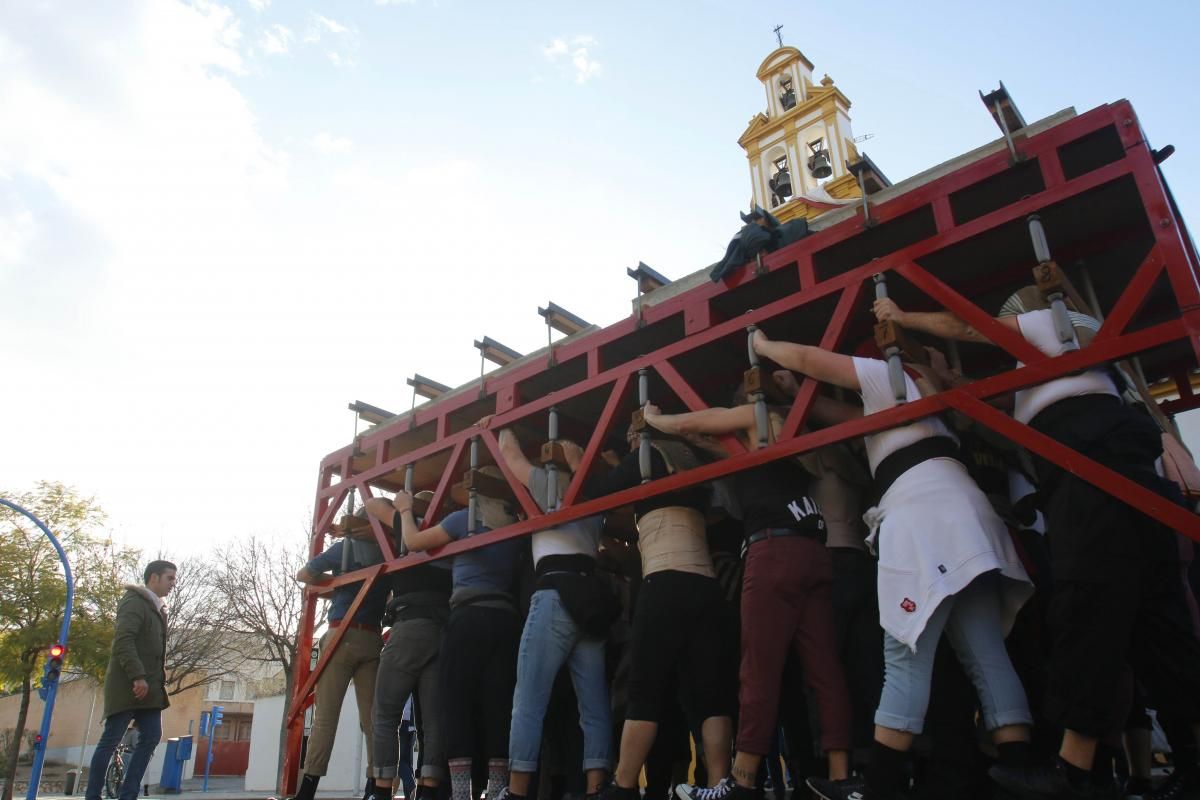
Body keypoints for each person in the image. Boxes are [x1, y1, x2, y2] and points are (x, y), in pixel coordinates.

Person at [874, 292, 1200, 800]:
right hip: (1119, 475)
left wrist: (901, 316)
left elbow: (966, 326)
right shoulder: (1059, 374)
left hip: (1088, 477)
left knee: (1087, 609)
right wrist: (937, 373)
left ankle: (1073, 770)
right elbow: (982, 400)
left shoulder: (1056, 327)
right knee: (1155, 622)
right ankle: (1188, 759)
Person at [750, 329, 1035, 800]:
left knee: (904, 655)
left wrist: (763, 345)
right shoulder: (926, 404)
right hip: (969, 517)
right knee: (987, 655)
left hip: (921, 520)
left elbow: (806, 354)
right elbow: (840, 414)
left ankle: (878, 787)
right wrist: (796, 394)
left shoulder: (889, 375)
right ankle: (1019, 770)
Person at [639, 393, 854, 800]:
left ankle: (742, 782)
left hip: (772, 550)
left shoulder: (761, 415)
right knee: (826, 670)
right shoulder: (793, 439)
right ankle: (842, 778)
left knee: (758, 669)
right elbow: (714, 443)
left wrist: (657, 419)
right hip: (814, 550)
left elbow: (695, 424)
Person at [591, 426, 737, 800]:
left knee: (644, 689)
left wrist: (592, 461)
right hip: (706, 586)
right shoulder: (694, 459)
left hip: (664, 581)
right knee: (710, 694)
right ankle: (720, 783)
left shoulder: (646, 456)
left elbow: (603, 492)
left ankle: (623, 786)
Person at [485, 421, 613, 800]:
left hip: (554, 592)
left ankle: (519, 789)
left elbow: (509, 456)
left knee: (529, 699)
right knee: (593, 704)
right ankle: (596, 786)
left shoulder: (551, 486)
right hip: (588, 595)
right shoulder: (597, 498)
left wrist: (497, 427)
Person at [394, 468, 525, 800]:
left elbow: (413, 543)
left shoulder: (465, 520)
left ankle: (461, 791)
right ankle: (496, 788)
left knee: (455, 702)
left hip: (468, 614)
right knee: (498, 704)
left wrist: (405, 509)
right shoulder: (515, 523)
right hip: (506, 618)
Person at [292, 518, 390, 800]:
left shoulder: (346, 548)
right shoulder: (389, 550)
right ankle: (376, 787)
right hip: (372, 637)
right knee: (374, 719)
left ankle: (307, 790)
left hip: (341, 632)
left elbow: (305, 574)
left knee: (325, 717)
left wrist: (338, 584)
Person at [364, 495, 453, 800]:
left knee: (385, 713)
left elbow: (371, 506)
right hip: (442, 631)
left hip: (410, 627)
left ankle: (381, 788)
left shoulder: (408, 532)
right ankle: (429, 789)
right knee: (433, 719)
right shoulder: (450, 539)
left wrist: (400, 505)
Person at [85, 560, 176, 800]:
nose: (173, 584)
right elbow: (123, 641)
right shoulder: (135, 602)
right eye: (170, 578)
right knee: (111, 739)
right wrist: (138, 676)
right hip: (129, 686)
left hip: (150, 690)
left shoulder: (159, 609)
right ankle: (92, 795)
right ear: (154, 578)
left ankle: (129, 793)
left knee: (152, 736)